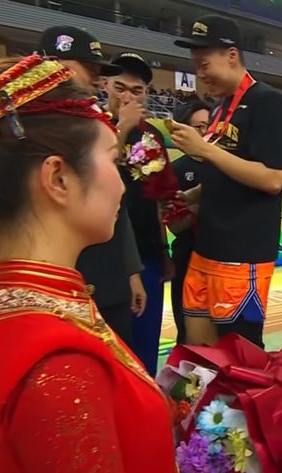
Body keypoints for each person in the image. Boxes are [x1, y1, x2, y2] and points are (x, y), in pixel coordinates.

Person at [0, 55, 175, 472]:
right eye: (112, 159)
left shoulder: (15, 307)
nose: (121, 184)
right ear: (58, 179)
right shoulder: (59, 367)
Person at [171, 15, 282, 348]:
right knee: (199, 352)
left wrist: (204, 151)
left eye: (204, 64)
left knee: (238, 355)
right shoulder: (219, 108)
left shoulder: (267, 102)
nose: (200, 74)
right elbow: (226, 173)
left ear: (232, 55)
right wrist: (192, 195)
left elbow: (273, 179)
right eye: (195, 66)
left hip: (242, 253)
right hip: (206, 246)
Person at [38, 26, 147, 349]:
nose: (96, 80)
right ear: (54, 65)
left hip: (107, 275)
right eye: (89, 68)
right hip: (53, 279)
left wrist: (130, 270)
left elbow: (119, 209)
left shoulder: (94, 122)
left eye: (100, 72)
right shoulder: (21, 129)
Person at [106, 52, 174, 376]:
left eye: (137, 91)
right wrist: (121, 128)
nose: (128, 97)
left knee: (146, 348)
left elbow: (157, 199)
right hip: (107, 257)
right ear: (105, 84)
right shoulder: (92, 126)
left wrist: (164, 252)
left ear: (147, 93)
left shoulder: (152, 136)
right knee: (113, 351)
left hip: (148, 256)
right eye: (120, 88)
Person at [167, 99, 211, 344]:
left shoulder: (228, 165)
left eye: (209, 125)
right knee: (188, 336)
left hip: (224, 261)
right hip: (188, 259)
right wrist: (208, 197)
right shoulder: (175, 169)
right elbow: (175, 225)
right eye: (199, 127)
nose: (205, 132)